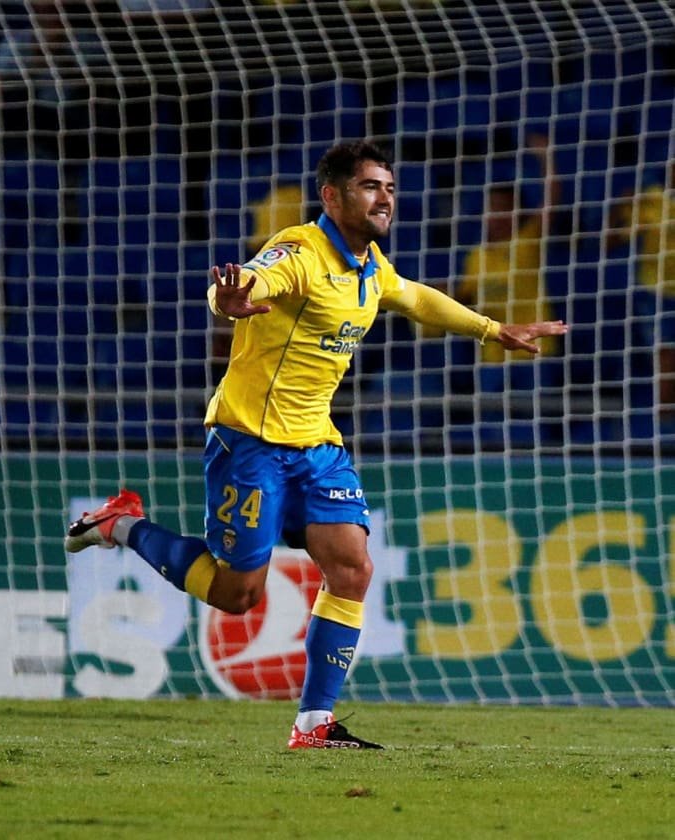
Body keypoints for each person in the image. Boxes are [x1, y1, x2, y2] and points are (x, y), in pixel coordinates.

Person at [66, 140, 566, 749]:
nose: (384, 198)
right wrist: (227, 300)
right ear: (332, 196)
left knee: (352, 568)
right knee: (237, 595)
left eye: (389, 187)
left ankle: (314, 724)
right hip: (250, 441)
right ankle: (121, 525)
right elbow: (252, 278)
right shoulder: (301, 252)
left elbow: (413, 297)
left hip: (317, 445)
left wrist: (492, 329)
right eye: (370, 187)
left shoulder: (370, 265)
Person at [450, 133, 562, 375]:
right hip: (492, 360)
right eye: (493, 208)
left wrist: (547, 158)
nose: (497, 215)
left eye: (504, 208)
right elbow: (465, 298)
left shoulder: (527, 242)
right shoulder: (476, 257)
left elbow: (551, 202)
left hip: (534, 356)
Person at [633, 159, 675, 428]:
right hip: (657, 292)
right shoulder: (652, 198)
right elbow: (612, 238)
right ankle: (664, 426)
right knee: (666, 357)